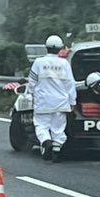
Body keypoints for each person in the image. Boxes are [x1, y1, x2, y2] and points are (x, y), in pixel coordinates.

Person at [27, 34, 77, 162]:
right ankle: (56, 153)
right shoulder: (64, 63)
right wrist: (72, 101)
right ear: (60, 48)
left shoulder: (38, 62)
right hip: (61, 102)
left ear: (46, 47)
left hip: (43, 102)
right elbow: (70, 84)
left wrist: (32, 93)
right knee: (58, 129)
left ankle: (46, 141)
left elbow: (32, 82)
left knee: (41, 126)